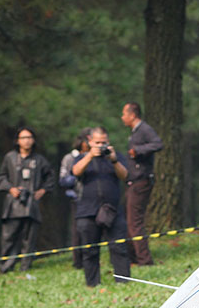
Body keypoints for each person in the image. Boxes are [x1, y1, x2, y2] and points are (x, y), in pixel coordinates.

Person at [72, 126, 132, 288]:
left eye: (104, 142)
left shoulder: (115, 157)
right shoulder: (82, 157)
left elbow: (125, 176)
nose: (101, 145)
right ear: (89, 142)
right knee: (90, 250)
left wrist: (113, 160)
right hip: (87, 211)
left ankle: (123, 281)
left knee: (119, 247)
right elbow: (76, 172)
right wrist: (90, 156)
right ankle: (92, 284)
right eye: (97, 142)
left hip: (112, 209)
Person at [0, 127, 54, 274]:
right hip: (13, 203)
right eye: (23, 138)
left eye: (29, 137)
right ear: (17, 141)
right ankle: (6, 266)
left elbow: (51, 177)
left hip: (31, 203)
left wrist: (42, 190)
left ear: (33, 140)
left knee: (29, 237)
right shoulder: (10, 157)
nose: (26, 141)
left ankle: (25, 266)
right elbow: (1, 177)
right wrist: (10, 189)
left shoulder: (39, 159)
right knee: (9, 236)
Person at [120, 101, 162, 266]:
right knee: (130, 220)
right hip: (133, 181)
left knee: (134, 222)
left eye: (124, 114)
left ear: (132, 115)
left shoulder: (144, 129)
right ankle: (134, 257)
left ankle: (144, 260)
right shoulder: (135, 132)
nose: (122, 117)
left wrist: (138, 151)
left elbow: (158, 144)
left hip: (141, 180)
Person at [59, 129, 89, 270]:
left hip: (93, 198)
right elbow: (63, 179)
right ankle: (78, 261)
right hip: (77, 198)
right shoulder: (69, 158)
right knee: (77, 231)